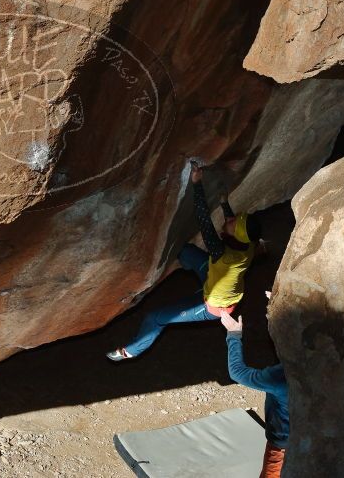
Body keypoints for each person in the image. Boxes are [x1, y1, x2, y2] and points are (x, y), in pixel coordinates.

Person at [107, 160, 262, 360]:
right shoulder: (248, 245)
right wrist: (224, 202)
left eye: (232, 224)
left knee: (155, 318)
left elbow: (203, 218)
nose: (229, 221)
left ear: (235, 236)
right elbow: (234, 224)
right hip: (215, 278)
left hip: (213, 305)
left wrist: (196, 183)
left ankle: (130, 351)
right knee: (184, 250)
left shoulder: (221, 254)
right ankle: (180, 271)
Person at [221, 310, 289, 478]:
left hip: (282, 446)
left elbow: (237, 372)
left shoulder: (281, 376)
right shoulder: (328, 367)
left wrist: (234, 334)